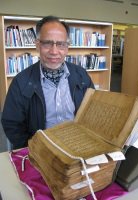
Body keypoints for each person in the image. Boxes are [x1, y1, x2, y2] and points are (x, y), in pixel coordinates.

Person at [1, 15, 94, 149]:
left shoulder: (82, 75)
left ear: (67, 47)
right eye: (47, 43)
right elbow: (12, 124)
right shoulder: (21, 82)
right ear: (38, 45)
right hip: (41, 149)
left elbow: (93, 110)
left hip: (78, 145)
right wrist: (34, 149)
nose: (54, 51)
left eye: (61, 44)